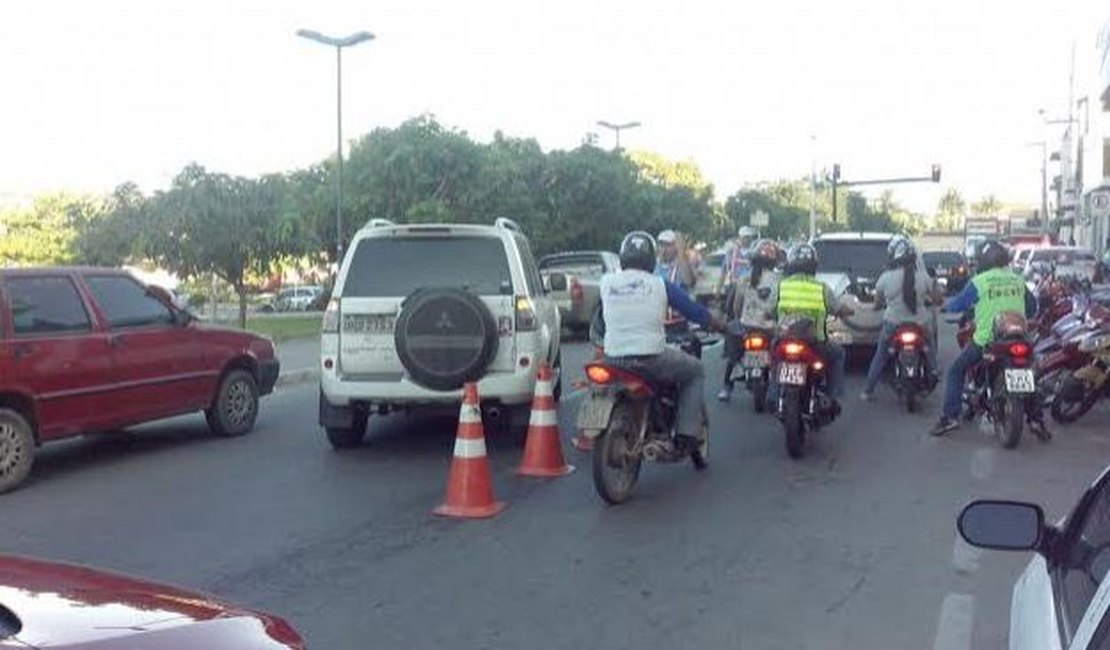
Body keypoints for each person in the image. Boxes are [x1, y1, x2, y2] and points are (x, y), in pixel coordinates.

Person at [600, 231, 725, 451]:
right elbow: (693, 311)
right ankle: (687, 434)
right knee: (695, 371)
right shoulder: (660, 284)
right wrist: (718, 325)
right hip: (650, 357)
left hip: (612, 358)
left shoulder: (606, 283)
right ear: (651, 258)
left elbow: (600, 320)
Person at [930, 240, 1048, 437]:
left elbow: (958, 304)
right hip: (1019, 338)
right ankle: (1036, 420)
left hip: (988, 340)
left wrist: (944, 307)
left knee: (955, 370)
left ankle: (949, 417)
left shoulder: (980, 281)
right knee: (1031, 374)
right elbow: (1032, 308)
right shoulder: (1017, 279)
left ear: (984, 261)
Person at [767, 243, 854, 401]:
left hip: (784, 338)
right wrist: (848, 310)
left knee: (774, 359)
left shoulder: (781, 286)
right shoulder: (822, 288)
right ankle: (832, 396)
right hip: (815, 342)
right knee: (838, 354)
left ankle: (772, 394)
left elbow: (769, 309)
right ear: (814, 266)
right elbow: (837, 309)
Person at [860, 236, 942, 400]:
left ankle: (867, 390)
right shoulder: (924, 277)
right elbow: (937, 300)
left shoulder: (885, 278)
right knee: (930, 347)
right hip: (920, 323)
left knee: (881, 355)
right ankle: (934, 371)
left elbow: (877, 303)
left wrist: (879, 305)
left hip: (893, 323)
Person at [718, 238, 781, 402]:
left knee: (732, 355)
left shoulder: (744, 279)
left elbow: (736, 307)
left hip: (746, 326)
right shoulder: (780, 280)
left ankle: (727, 386)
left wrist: (740, 319)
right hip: (770, 328)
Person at [717, 226, 759, 318]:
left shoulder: (754, 254)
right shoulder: (731, 253)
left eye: (748, 237)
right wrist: (718, 290)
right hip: (734, 286)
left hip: (749, 288)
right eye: (744, 237)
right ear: (740, 237)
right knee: (729, 307)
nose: (747, 240)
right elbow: (724, 271)